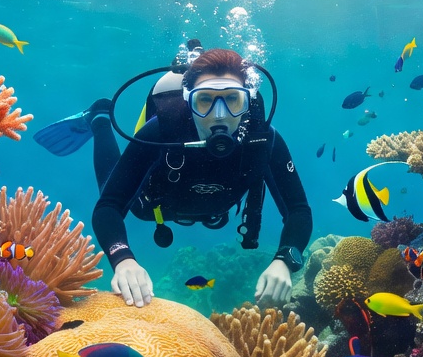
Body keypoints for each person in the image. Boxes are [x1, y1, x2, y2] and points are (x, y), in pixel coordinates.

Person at [34, 45, 311, 308]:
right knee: (113, 186)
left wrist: (284, 260)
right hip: (151, 206)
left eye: (232, 99)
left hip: (215, 210)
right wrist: (122, 259)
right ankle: (100, 118)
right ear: (189, 101)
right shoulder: (160, 132)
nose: (219, 115)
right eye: (205, 100)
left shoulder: (263, 139)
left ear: (247, 101)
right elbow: (109, 205)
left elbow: (298, 210)